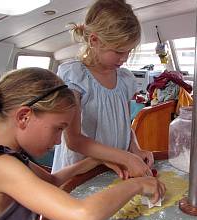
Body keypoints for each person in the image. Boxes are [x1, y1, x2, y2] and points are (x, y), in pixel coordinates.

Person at [0, 68, 166, 220]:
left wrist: (95, 161)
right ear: (24, 117)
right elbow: (83, 217)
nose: (59, 141)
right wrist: (137, 185)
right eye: (58, 128)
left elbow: (52, 180)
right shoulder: (0, 166)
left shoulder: (7, 156)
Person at [51, 0, 153, 178]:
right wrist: (126, 158)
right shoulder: (75, 77)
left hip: (116, 168)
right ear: (94, 41)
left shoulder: (124, 79)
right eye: (119, 51)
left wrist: (135, 149)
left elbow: (125, 125)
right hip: (81, 171)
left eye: (129, 51)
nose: (125, 59)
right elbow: (74, 140)